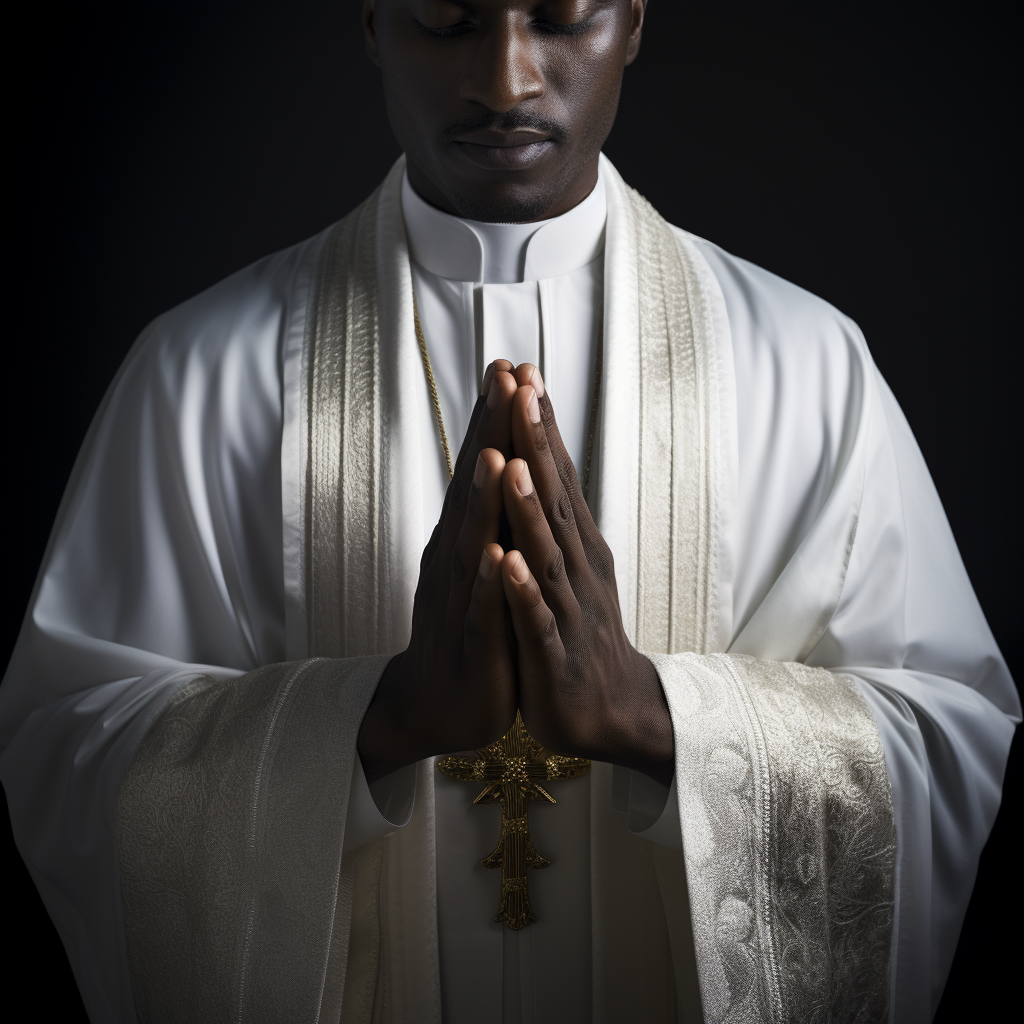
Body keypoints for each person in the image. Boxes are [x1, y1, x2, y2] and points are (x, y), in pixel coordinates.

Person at [0, 1, 1016, 1021]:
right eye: (446, 23)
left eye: (562, 19)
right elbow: (71, 751)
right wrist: (378, 719)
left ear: (631, 20)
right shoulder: (199, 374)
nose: (505, 81)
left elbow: (943, 736)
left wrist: (653, 716)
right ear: (370, 22)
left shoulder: (805, 365)